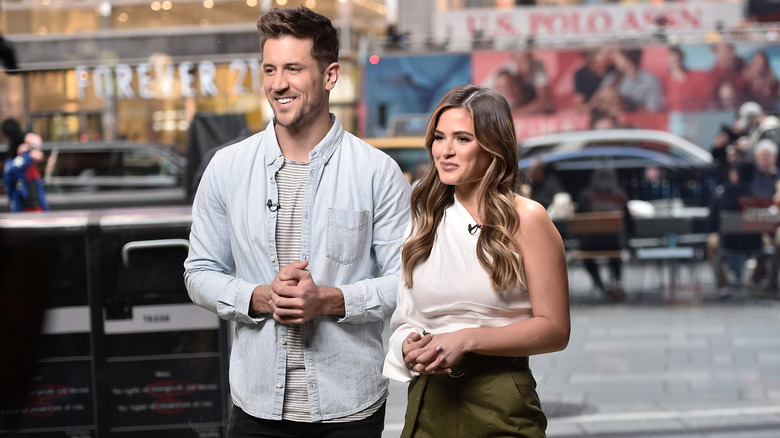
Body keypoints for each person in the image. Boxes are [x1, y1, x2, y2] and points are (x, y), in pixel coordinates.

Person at [183, 6, 412, 437]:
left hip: (350, 408)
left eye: (293, 68)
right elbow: (198, 272)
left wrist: (327, 300)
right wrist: (260, 297)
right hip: (254, 408)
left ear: (329, 76)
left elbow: (409, 283)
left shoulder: (377, 172)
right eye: (269, 69)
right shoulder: (226, 168)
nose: (277, 83)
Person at [383, 84, 570, 437]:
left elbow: (555, 330)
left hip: (500, 398)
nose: (446, 151)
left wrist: (467, 339)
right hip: (428, 400)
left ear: (492, 147)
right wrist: (408, 345)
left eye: (463, 139)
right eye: (439, 138)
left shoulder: (528, 218)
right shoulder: (424, 219)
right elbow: (406, 318)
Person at [575, 167, 635, 300]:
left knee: (587, 258)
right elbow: (630, 223)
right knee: (615, 249)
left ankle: (600, 284)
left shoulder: (586, 196)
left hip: (590, 245)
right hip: (615, 244)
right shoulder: (620, 196)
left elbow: (577, 222)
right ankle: (617, 280)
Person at [592, 47, 663, 114]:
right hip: (613, 122)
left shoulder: (650, 80)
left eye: (617, 56)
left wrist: (629, 106)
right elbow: (598, 101)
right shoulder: (612, 77)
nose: (614, 59)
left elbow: (653, 111)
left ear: (626, 58)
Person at [2, 118, 49, 212]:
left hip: (33, 203)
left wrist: (29, 151)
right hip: (25, 203)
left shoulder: (28, 161)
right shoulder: (17, 163)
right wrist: (27, 155)